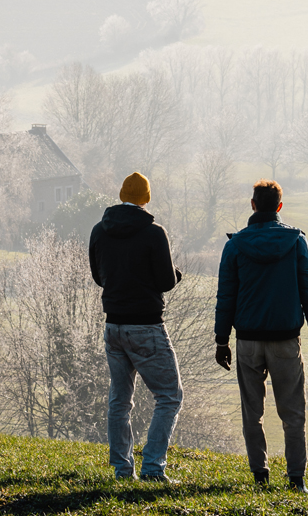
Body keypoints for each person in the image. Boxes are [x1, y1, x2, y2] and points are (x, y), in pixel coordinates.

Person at [214, 179, 308, 494]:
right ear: (279, 207)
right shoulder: (295, 242)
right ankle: (296, 480)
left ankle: (260, 477)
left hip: (247, 341)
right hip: (286, 340)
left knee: (253, 412)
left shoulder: (234, 246)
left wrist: (222, 340)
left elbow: (226, 298)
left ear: (252, 205)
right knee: (293, 413)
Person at [89, 171, 183, 483]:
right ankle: (153, 469)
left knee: (120, 399)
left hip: (113, 325)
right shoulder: (154, 232)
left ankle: (121, 469)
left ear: (120, 195)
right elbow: (166, 282)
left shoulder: (99, 231)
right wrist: (176, 274)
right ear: (146, 198)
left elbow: (99, 277)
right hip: (146, 326)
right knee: (169, 395)